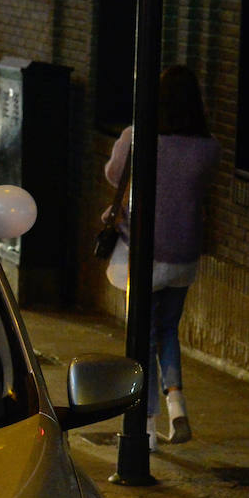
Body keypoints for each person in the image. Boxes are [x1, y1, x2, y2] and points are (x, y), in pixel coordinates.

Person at [102, 64, 221, 451]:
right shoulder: (208, 147)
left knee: (142, 336)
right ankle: (178, 408)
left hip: (146, 252)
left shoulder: (137, 137)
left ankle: (147, 428)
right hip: (185, 254)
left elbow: (112, 174)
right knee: (167, 329)